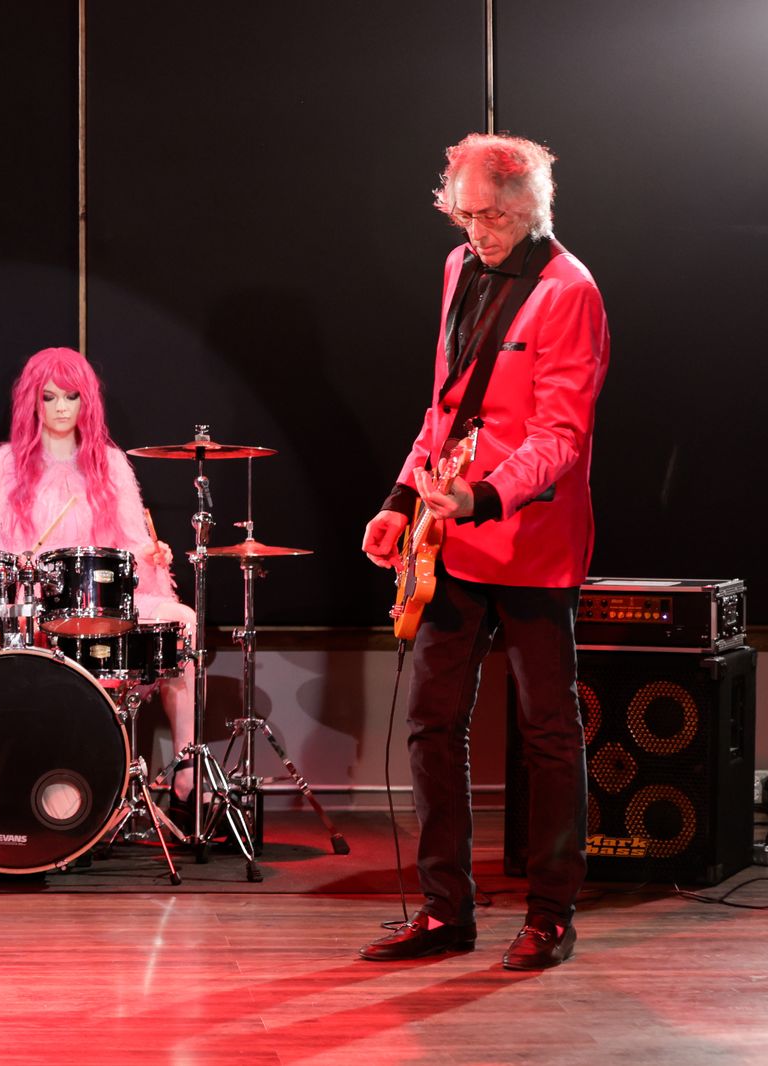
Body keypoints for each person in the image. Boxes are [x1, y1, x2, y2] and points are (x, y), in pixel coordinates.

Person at [359, 134, 609, 969]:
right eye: (465, 215)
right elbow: (447, 407)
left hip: (532, 539)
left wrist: (487, 495)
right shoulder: (457, 267)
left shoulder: (570, 291)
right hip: (451, 537)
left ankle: (551, 915)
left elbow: (561, 435)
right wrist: (402, 500)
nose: (478, 232)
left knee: (549, 734)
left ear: (530, 205)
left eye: (493, 217)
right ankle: (445, 912)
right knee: (431, 724)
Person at [0, 346, 200, 822]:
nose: (61, 408)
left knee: (181, 622)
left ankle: (186, 774)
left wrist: (152, 555)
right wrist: (16, 573)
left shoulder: (111, 463)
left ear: (88, 401)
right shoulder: (4, 465)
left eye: (71, 396)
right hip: (31, 609)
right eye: (49, 397)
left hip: (98, 605)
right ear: (32, 402)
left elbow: (130, 550)